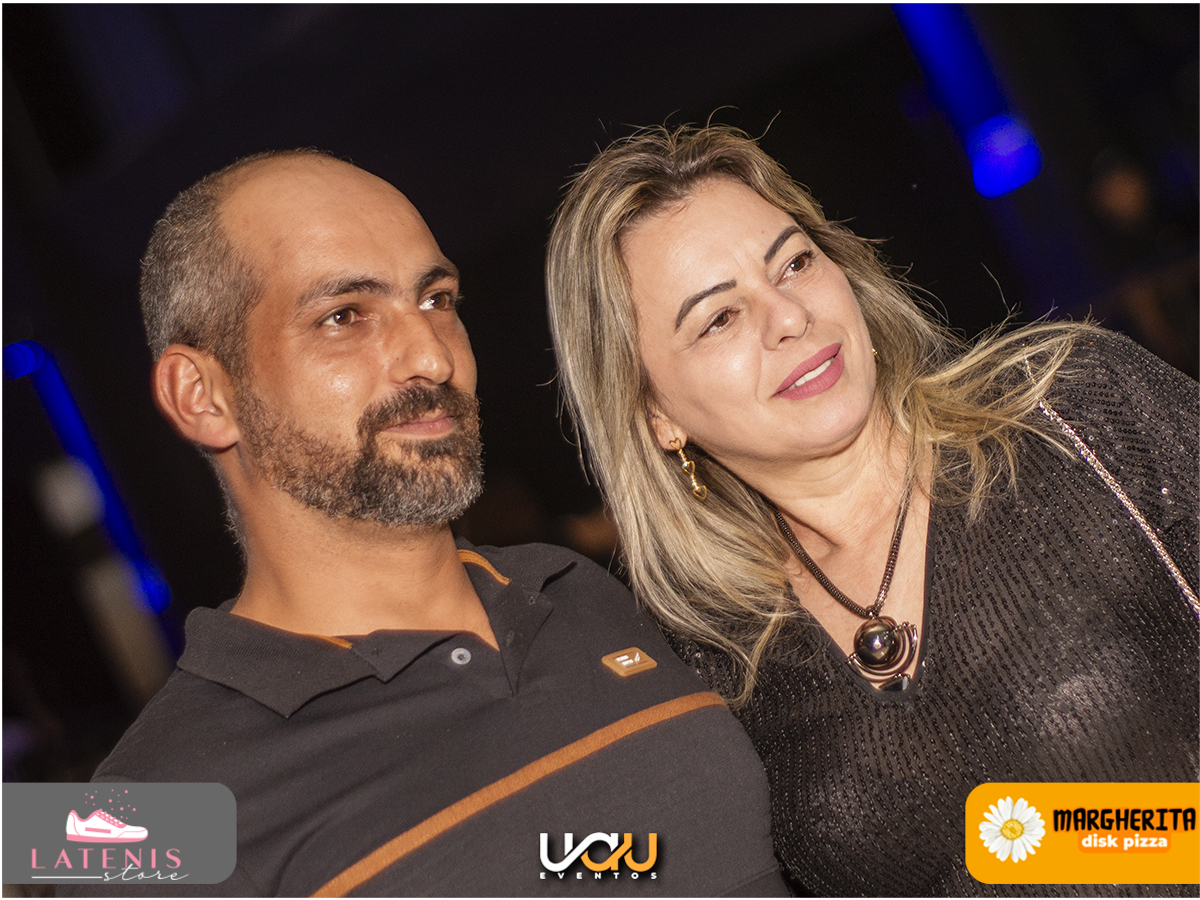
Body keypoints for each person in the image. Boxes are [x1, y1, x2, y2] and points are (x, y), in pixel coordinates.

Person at [68, 149, 787, 896]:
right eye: (344, 316)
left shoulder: (578, 591)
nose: (432, 357)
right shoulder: (137, 817)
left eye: (437, 299)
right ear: (202, 396)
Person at [545, 124, 1199, 896]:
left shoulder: (1070, 417)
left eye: (794, 263)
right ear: (655, 414)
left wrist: (1048, 843)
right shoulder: (714, 664)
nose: (788, 315)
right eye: (719, 318)